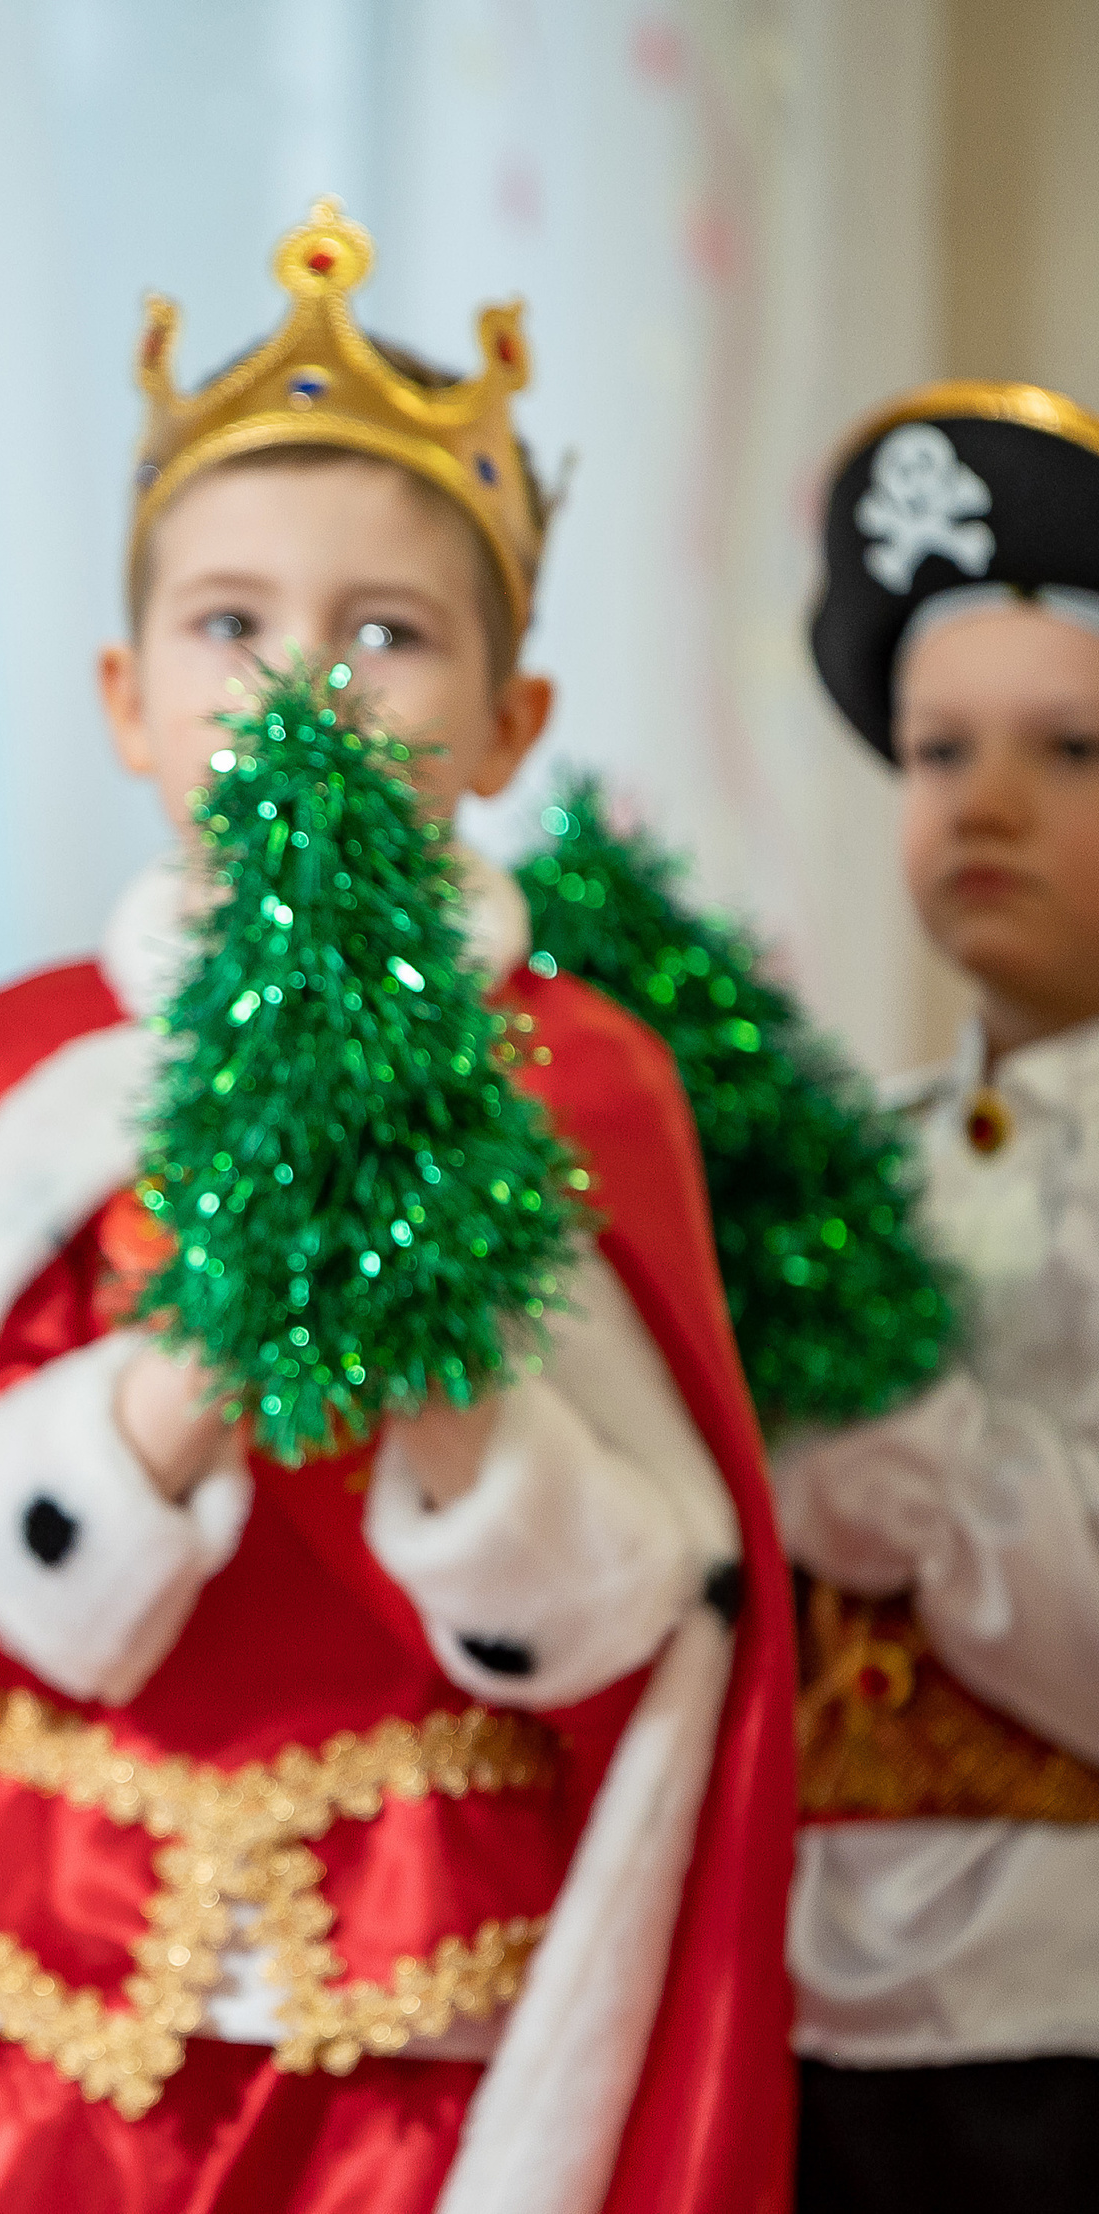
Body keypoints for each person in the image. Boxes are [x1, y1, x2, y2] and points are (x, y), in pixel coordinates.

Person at [0, 201, 796, 2214]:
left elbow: (662, 1621)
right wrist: (168, 1400)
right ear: (125, 696)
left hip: (424, 2029)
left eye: (384, 633)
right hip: (36, 2017)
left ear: (508, 725)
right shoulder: (25, 1072)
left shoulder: (571, 1084)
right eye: (229, 623)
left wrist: (452, 1385)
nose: (299, 688)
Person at [787, 381, 1099, 2210]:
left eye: (1071, 752)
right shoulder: (856, 1166)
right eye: (935, 750)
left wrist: (909, 1455)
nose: (985, 803)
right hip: (819, 2010)